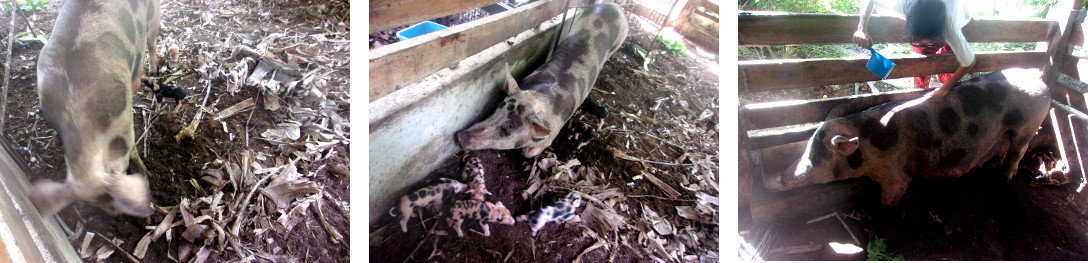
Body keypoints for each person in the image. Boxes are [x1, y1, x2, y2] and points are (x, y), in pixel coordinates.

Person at [853, 0, 974, 102]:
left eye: (931, 41)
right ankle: (920, 97)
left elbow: (969, 61)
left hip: (959, 16)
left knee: (945, 75)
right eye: (921, 41)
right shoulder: (902, 5)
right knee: (921, 73)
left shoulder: (949, 24)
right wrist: (861, 28)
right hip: (926, 28)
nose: (926, 45)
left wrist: (945, 89)